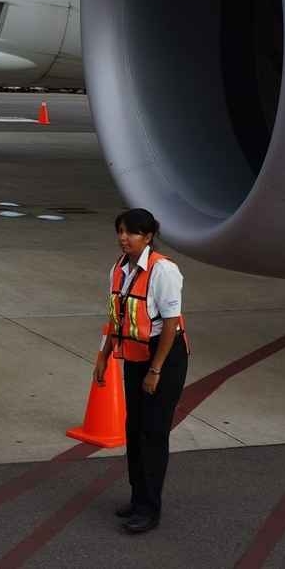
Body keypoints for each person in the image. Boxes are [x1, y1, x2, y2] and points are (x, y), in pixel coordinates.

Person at [93, 208, 188, 534]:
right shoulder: (118, 269)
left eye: (132, 232)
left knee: (153, 432)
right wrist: (103, 355)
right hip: (134, 354)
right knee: (134, 430)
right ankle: (137, 499)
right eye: (120, 231)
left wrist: (156, 370)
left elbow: (171, 324)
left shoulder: (163, 270)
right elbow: (116, 317)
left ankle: (150, 509)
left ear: (148, 237)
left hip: (164, 357)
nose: (124, 238)